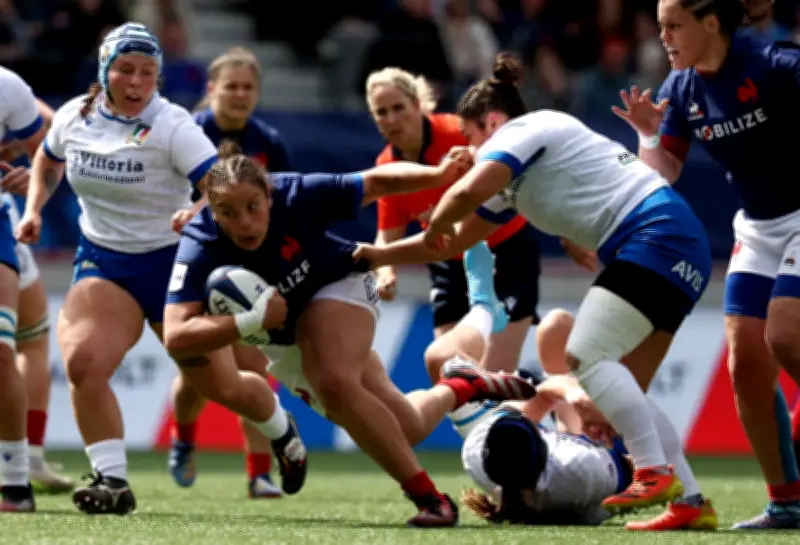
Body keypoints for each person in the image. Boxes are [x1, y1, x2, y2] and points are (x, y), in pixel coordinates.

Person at [354, 51, 714, 519]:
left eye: (469, 138)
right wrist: (378, 255)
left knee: (584, 354)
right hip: (678, 245)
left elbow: (461, 199)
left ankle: (651, 471)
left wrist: (441, 213)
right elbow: (448, 244)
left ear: (493, 122)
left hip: (657, 237)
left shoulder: (525, 130)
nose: (466, 150)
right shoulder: (513, 183)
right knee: (622, 399)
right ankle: (689, 502)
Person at [162, 140, 537, 527]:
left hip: (338, 283)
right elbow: (176, 334)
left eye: (252, 207)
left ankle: (430, 499)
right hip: (283, 338)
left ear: (269, 196)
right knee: (405, 427)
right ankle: (459, 386)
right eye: (228, 213)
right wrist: (250, 321)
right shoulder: (200, 242)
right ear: (212, 212)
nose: (243, 222)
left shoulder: (294, 193)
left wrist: (438, 176)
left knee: (333, 381)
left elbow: (374, 184)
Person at [16, 22, 306, 515]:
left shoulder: (172, 124)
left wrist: (194, 211)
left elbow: (220, 183)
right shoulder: (75, 115)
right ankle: (112, 481)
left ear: (159, 77)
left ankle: (282, 431)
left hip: (173, 263)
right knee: (85, 364)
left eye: (148, 73)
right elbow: (46, 158)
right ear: (105, 70)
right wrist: (33, 209)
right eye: (125, 70)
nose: (135, 82)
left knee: (221, 386)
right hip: (104, 260)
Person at [612, 0, 800, 528]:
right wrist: (649, 135)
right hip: (758, 228)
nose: (663, 37)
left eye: (674, 25)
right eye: (660, 26)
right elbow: (663, 171)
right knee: (746, 365)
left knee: (784, 337)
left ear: (710, 23)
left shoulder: (777, 67)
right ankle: (788, 503)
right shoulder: (681, 87)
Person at [366, 67, 541, 436]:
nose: (391, 119)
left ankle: (530, 423)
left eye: (398, 108)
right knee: (446, 370)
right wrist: (386, 273)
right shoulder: (387, 166)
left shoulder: (456, 133)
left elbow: (518, 176)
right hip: (449, 266)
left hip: (506, 254)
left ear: (418, 105)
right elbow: (388, 231)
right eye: (381, 113)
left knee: (493, 376)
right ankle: (498, 452)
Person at [168, 46, 294, 499]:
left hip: (245, 265)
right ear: (212, 89)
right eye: (231, 85)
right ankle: (183, 438)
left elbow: (280, 208)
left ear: (257, 93)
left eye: (248, 87)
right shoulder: (188, 132)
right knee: (195, 377)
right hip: (194, 265)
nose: (240, 94)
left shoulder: (269, 142)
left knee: (254, 367)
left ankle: (259, 473)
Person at [0, 99, 74, 495]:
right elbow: (51, 123)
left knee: (29, 339)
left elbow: (51, 126)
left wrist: (16, 158)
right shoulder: (5, 83)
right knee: (25, 342)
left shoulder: (6, 84)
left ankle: (24, 459)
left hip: (4, 228)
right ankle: (25, 457)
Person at [0, 66, 46, 513]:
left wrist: (29, 177)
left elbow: (48, 156)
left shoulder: (7, 86)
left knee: (2, 348)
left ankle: (16, 480)